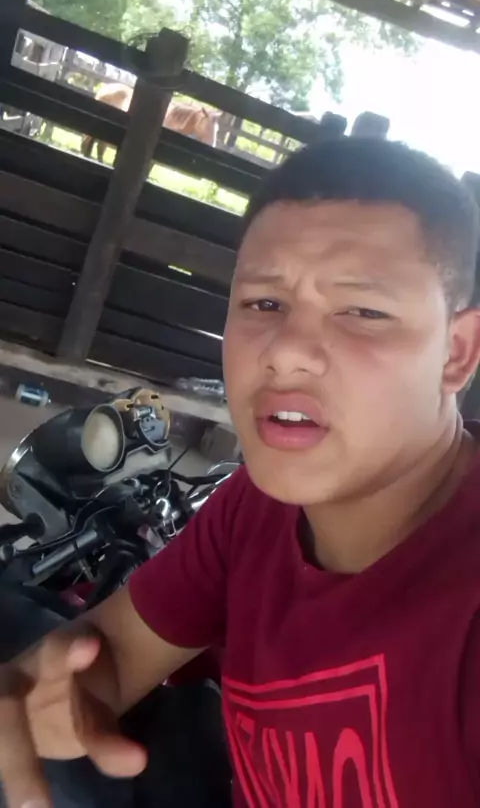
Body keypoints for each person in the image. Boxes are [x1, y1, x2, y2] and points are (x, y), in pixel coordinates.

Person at [1, 137, 480, 808]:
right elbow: (108, 655)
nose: (287, 351)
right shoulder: (255, 507)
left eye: (363, 312)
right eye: (263, 304)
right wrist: (53, 693)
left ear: (456, 354)